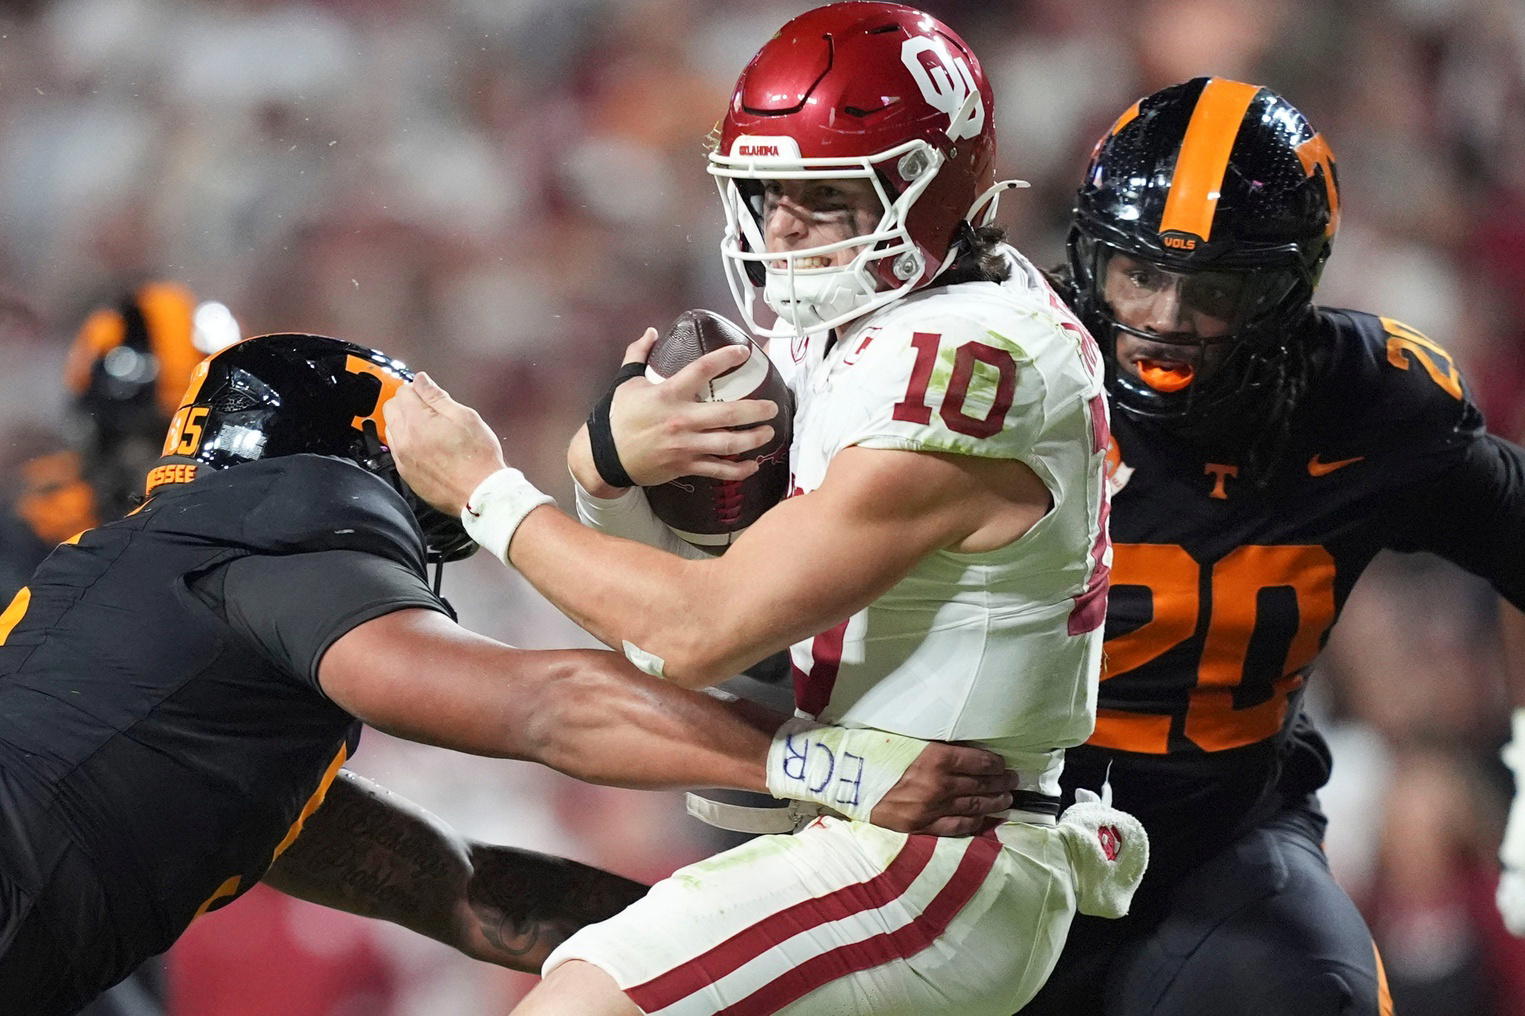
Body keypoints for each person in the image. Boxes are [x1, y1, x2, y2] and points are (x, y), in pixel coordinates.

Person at [383, 5, 1144, 1015]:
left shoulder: (968, 357)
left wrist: (485, 491)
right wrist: (605, 473)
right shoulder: (878, 321)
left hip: (930, 862)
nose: (781, 224)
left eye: (823, 194)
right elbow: (665, 625)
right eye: (766, 189)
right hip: (870, 827)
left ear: (931, 187)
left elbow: (695, 630)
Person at [0, 332, 1017, 1016]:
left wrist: (743, 944)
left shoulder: (175, 657)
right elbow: (544, 705)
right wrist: (834, 766)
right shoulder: (281, 539)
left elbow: (467, 893)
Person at [1016, 76, 1525, 1015]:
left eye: (1209, 288)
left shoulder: (1367, 406)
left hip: (1217, 851)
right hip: (977, 835)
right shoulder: (998, 378)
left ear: (1286, 292)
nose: (1164, 316)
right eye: (1139, 273)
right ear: (1089, 259)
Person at [0, 281, 242, 601]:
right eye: (150, 440)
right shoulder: (42, 518)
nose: (168, 469)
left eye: (189, 442)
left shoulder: (251, 522)